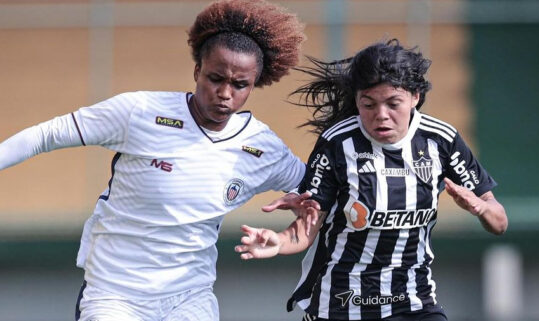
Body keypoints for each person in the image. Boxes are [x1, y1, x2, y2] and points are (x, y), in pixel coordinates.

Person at [0, 1, 315, 320]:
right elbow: (45, 135)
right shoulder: (140, 112)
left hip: (189, 297)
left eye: (239, 85)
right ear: (197, 71)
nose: (224, 92)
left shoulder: (263, 147)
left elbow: (322, 196)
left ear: (254, 84)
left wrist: (286, 238)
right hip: (113, 294)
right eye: (215, 78)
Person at [235, 39, 508, 321]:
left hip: (412, 301)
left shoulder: (441, 140)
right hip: (342, 304)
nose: (381, 115)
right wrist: (278, 242)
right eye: (369, 104)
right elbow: (307, 228)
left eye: (393, 103)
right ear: (356, 100)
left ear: (415, 96)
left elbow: (499, 222)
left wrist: (482, 208)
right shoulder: (337, 143)